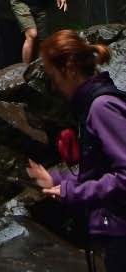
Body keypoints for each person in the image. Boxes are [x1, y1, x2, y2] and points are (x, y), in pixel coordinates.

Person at [27, 29, 126, 272]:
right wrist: (57, 179)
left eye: (53, 77)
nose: (54, 86)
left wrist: (72, 191)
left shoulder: (102, 107)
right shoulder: (92, 105)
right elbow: (100, 170)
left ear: (69, 68)